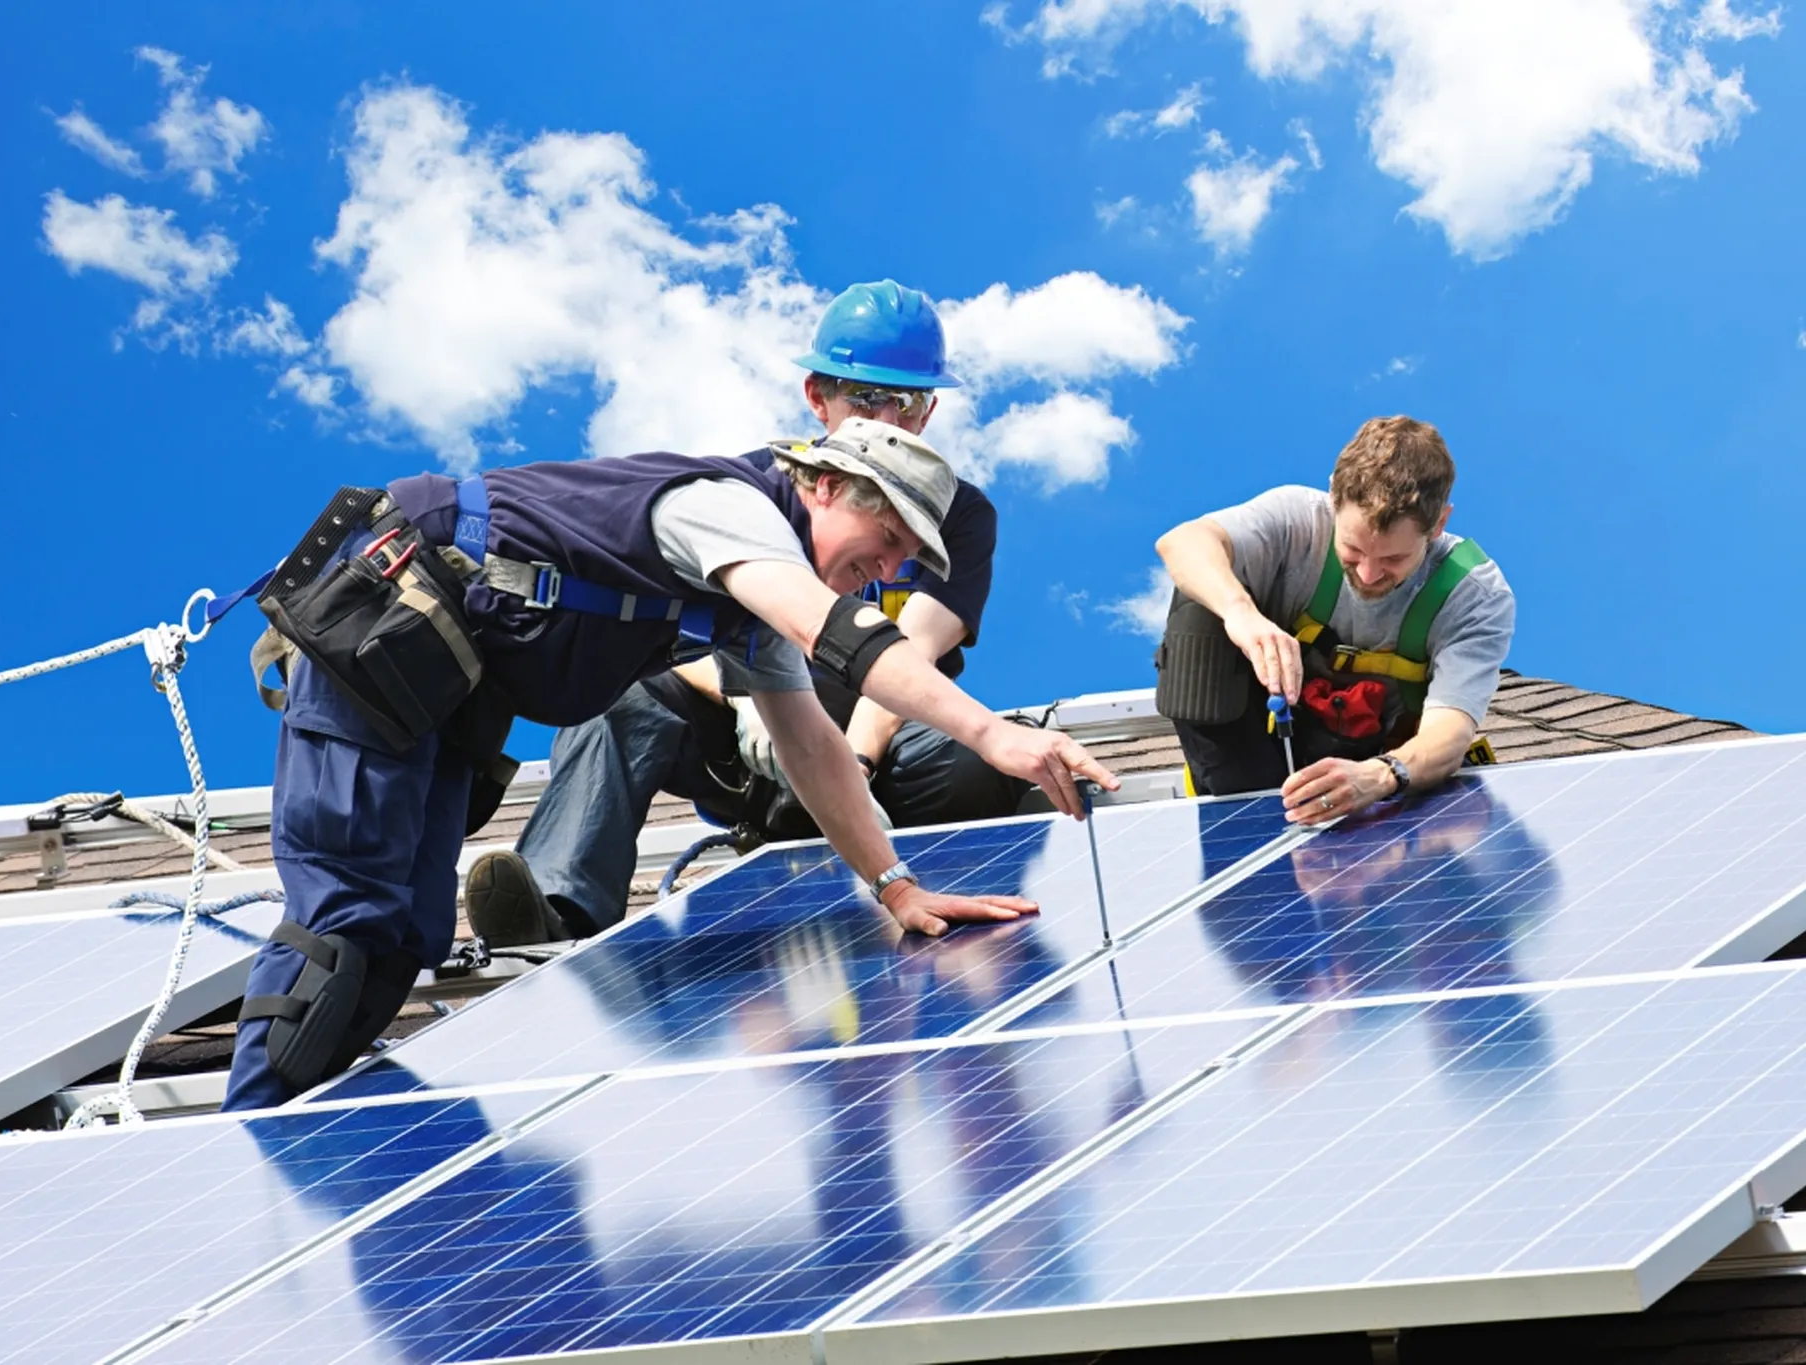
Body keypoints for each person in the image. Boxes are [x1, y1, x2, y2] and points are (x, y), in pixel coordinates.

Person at [224, 413, 1115, 1112]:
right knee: (348, 922)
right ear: (829, 484)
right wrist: (993, 735)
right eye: (883, 546)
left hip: (442, 684)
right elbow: (830, 631)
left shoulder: (750, 605)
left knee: (410, 934)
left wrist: (896, 887)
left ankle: (301, 1149)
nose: (879, 573)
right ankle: (249, 1145)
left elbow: (810, 742)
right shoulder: (727, 510)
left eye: (900, 566)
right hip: (383, 624)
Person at [467, 280, 1026, 948]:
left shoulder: (955, 517)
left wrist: (854, 761)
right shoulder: (756, 491)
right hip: (750, 740)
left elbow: (911, 652)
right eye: (866, 396)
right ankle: (558, 911)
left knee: (984, 756)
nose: (887, 417)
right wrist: (745, 700)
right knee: (618, 697)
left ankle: (910, 870)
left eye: (904, 401)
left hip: (871, 743)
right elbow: (685, 624)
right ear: (818, 399)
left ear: (927, 412)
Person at [1152, 415, 1513, 824]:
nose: (1368, 575)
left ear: (1440, 524)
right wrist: (1241, 613)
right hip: (1251, 762)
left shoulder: (1472, 593)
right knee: (1200, 603)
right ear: (1333, 499)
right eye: (1353, 549)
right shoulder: (1296, 521)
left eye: (1394, 558)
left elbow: (1449, 730)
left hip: (1377, 779)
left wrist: (1381, 776)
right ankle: (1241, 812)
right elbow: (1182, 542)